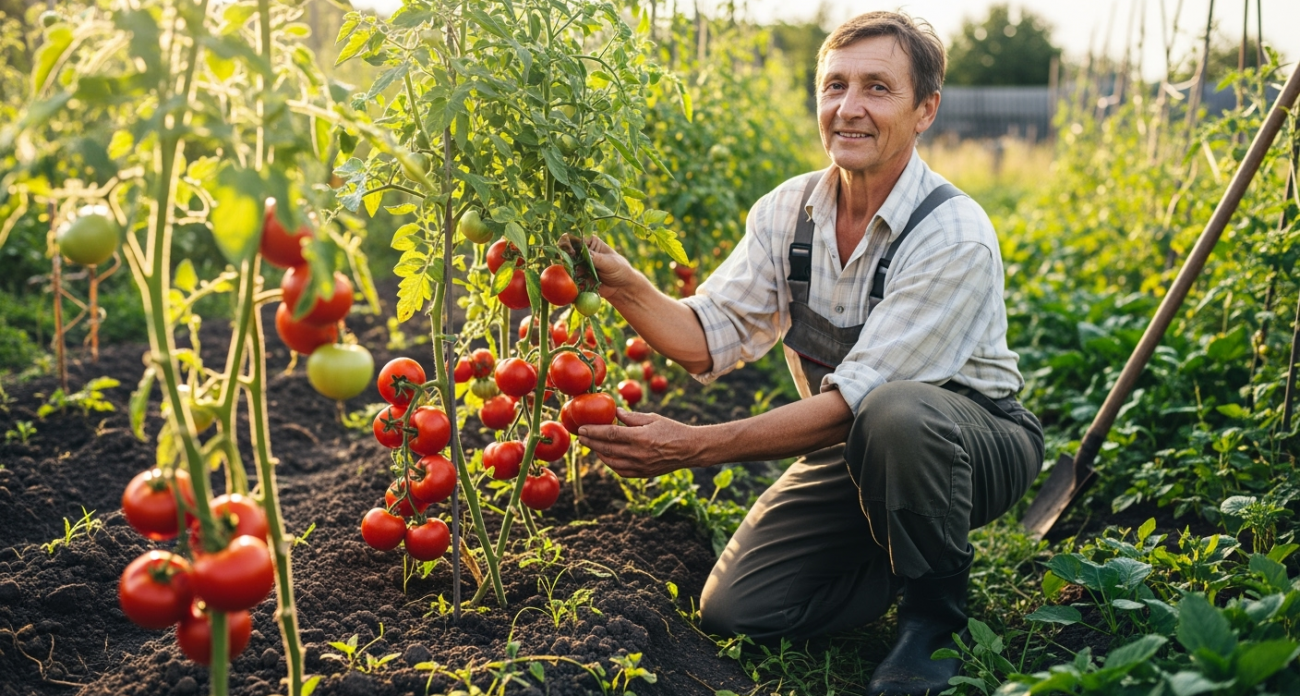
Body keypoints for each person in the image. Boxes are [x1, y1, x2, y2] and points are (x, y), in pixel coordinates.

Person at [577, 10, 1044, 696]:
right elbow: (706, 337)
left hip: (973, 444)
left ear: (925, 110)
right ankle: (896, 547)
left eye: (878, 89)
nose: (849, 109)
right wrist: (619, 281)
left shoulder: (953, 234)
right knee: (739, 609)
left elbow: (854, 405)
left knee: (894, 414)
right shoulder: (787, 213)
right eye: (835, 86)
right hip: (857, 446)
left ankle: (934, 616)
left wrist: (695, 446)